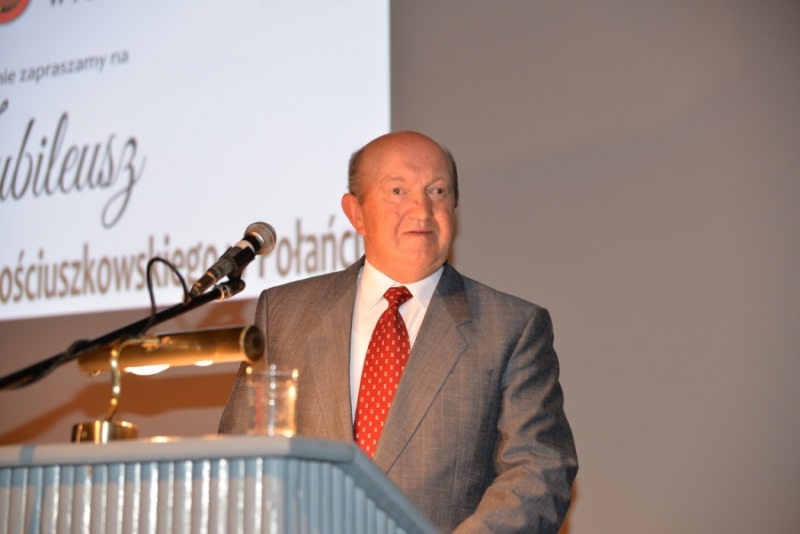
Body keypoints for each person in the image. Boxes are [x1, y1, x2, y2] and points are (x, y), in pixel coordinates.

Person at [219, 131, 577, 533]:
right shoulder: (284, 314)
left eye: (437, 191)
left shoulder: (511, 327)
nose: (422, 210)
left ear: (454, 207)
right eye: (397, 191)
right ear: (356, 212)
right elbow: (240, 460)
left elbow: (539, 469)